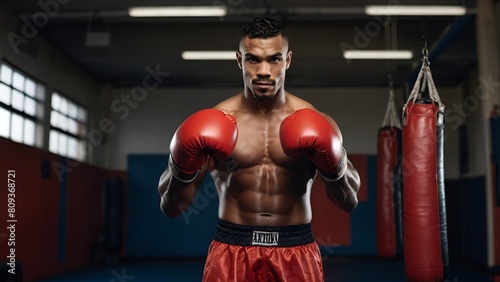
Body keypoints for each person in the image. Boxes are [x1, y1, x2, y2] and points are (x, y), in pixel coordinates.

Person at [158, 16, 361, 282]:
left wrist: (335, 165)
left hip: (296, 250)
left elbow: (348, 201)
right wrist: (181, 168)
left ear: (287, 60)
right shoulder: (216, 120)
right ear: (239, 60)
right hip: (231, 250)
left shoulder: (316, 121)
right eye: (253, 59)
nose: (264, 71)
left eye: (274, 59)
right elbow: (172, 207)